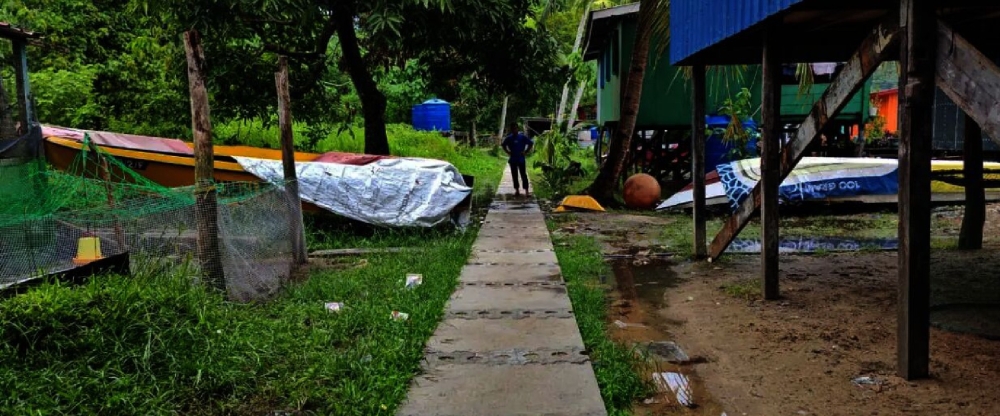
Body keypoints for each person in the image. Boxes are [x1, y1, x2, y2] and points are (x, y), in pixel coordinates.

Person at [501, 122, 534, 196]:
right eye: (512, 129)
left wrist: (526, 152)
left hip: (521, 159)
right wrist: (508, 152)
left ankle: (526, 191)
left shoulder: (522, 137)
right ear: (511, 130)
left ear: (517, 129)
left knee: (523, 175)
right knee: (514, 175)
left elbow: (531, 143)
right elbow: (503, 145)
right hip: (513, 160)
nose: (514, 130)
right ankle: (517, 190)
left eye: (515, 128)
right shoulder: (509, 138)